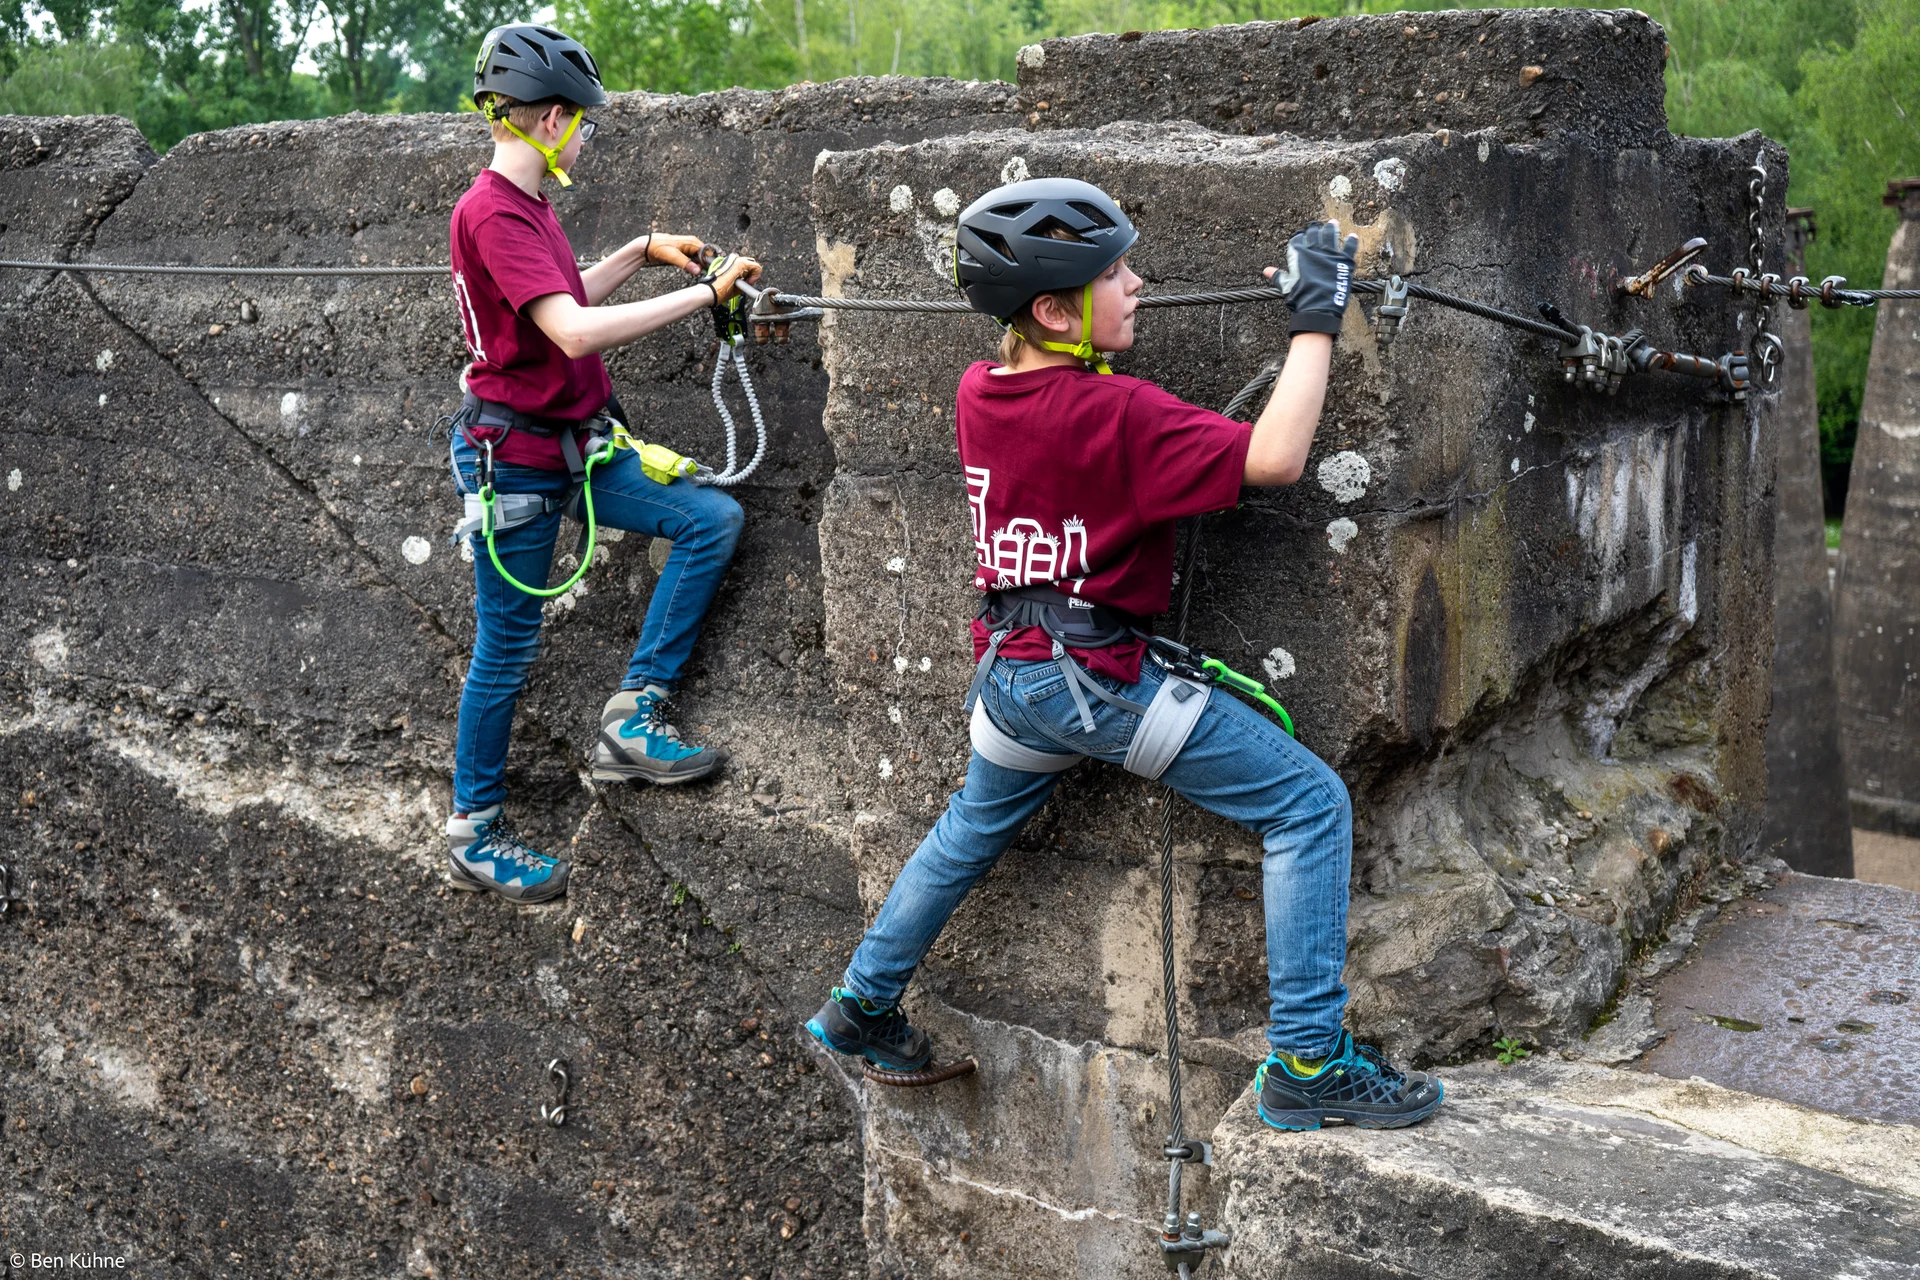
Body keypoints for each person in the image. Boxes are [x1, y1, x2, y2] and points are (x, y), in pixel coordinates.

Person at [805, 178, 1444, 1131]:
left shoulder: (982, 389)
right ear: (1057, 312)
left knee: (967, 832)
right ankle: (1308, 1062)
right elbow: (1273, 459)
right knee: (1309, 805)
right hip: (1092, 683)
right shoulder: (1120, 416)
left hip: (1013, 671)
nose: (1141, 284)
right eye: (1118, 273)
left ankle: (859, 1004)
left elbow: (1075, 419)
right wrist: (1315, 319)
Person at [442, 23, 761, 903]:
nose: (586, 136)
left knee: (710, 518)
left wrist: (640, 251)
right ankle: (475, 828)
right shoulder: (492, 210)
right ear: (548, 120)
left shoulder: (527, 206)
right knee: (504, 651)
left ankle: (633, 716)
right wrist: (700, 294)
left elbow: (561, 294)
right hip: (516, 462)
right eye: (581, 121)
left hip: (572, 448)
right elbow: (571, 330)